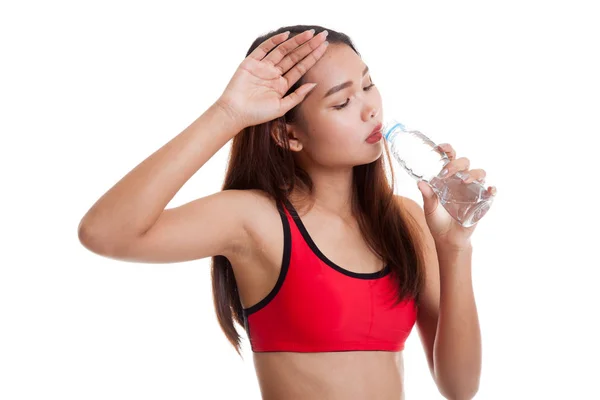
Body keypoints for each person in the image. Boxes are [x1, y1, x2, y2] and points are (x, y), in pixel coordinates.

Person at [78, 24, 496, 400]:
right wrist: (228, 115)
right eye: (341, 102)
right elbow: (105, 232)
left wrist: (454, 247)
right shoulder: (255, 221)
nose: (370, 109)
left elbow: (460, 387)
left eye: (368, 85)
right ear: (287, 134)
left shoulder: (405, 221)